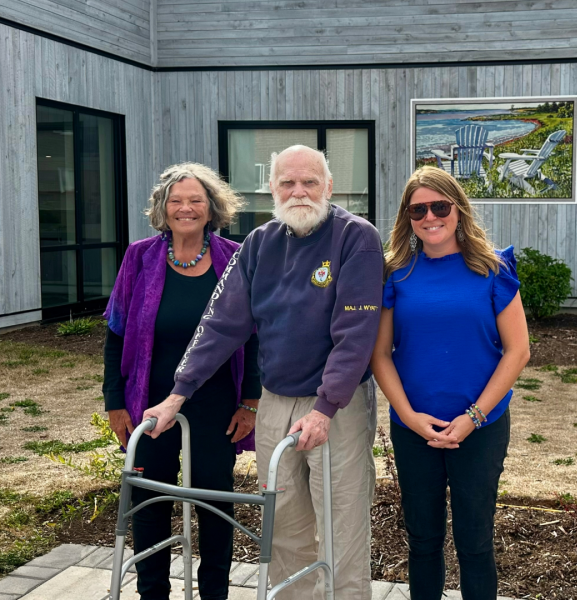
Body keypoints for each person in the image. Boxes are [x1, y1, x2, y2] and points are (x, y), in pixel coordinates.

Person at [144, 145, 384, 600]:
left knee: (342, 527)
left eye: (310, 182)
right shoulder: (260, 244)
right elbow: (221, 323)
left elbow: (356, 332)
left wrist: (325, 407)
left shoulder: (356, 238)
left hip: (337, 405)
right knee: (284, 525)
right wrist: (178, 394)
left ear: (329, 187)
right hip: (275, 401)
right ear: (271, 189)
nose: (299, 192)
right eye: (287, 183)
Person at [102, 163, 261, 600]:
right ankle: (152, 593)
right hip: (149, 402)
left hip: (218, 406)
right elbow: (116, 333)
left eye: (195, 200)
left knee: (215, 505)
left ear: (211, 208)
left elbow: (254, 337)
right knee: (149, 503)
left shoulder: (236, 256)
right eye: (176, 200)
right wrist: (115, 402)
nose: (185, 208)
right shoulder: (140, 257)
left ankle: (215, 594)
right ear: (162, 208)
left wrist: (249, 401)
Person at [370, 166, 530, 600]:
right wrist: (408, 416)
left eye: (439, 206)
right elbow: (380, 353)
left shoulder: (492, 269)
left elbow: (518, 351)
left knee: (474, 543)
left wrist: (473, 417)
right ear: (407, 217)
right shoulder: (395, 274)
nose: (429, 216)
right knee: (422, 543)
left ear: (458, 209)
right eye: (417, 209)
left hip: (480, 428)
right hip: (414, 429)